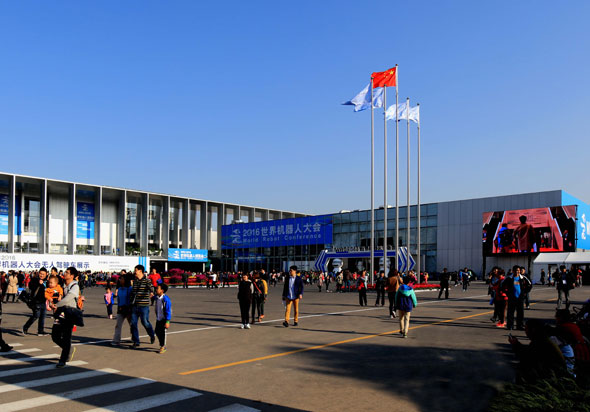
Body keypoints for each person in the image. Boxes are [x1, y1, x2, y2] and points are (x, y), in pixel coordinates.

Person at [508, 319, 567, 383]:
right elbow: (529, 353)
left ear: (533, 330)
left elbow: (527, 357)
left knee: (524, 368)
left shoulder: (541, 341)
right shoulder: (541, 338)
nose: (525, 332)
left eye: (526, 329)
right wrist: (516, 344)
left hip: (553, 375)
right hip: (553, 372)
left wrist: (516, 345)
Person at [50, 266, 81, 368]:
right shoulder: (62, 285)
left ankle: (62, 360)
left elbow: (68, 298)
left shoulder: (75, 286)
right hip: (61, 313)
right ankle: (68, 349)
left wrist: (57, 305)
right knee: (55, 335)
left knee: (67, 337)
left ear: (72, 276)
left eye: (67, 272)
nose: (65, 273)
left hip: (70, 314)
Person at [130, 265, 156, 348]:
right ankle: (136, 341)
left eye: (136, 270)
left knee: (145, 322)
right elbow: (133, 292)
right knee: (133, 323)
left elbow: (151, 288)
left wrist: (151, 292)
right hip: (135, 305)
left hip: (144, 306)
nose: (135, 272)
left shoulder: (147, 280)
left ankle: (152, 335)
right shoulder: (135, 281)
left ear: (140, 271)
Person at [23, 267, 48, 336]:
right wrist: (39, 284)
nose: (41, 275)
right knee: (36, 315)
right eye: (40, 273)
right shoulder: (35, 280)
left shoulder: (46, 282)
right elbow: (31, 287)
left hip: (43, 301)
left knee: (42, 316)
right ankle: (25, 327)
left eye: (43, 274)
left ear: (46, 274)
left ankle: (40, 331)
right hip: (36, 301)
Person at [503, 266, 527, 330]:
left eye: (518, 270)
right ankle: (510, 326)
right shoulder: (509, 278)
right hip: (512, 298)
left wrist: (524, 293)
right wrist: (507, 293)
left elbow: (529, 285)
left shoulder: (523, 278)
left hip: (520, 298)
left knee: (520, 313)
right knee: (510, 313)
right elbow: (502, 286)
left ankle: (519, 326)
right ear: (513, 271)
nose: (517, 271)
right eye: (516, 270)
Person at [112, 274, 133, 346]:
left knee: (132, 325)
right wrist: (119, 307)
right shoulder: (120, 289)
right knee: (118, 325)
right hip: (120, 309)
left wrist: (130, 308)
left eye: (122, 279)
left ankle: (134, 338)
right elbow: (119, 300)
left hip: (128, 309)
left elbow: (131, 299)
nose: (120, 280)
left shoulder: (130, 289)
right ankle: (116, 340)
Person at [154, 283, 172, 354]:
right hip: (158, 318)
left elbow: (168, 310)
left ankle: (163, 346)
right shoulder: (157, 297)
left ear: (162, 290)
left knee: (162, 332)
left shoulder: (165, 299)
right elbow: (154, 297)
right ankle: (161, 343)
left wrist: (167, 321)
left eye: (157, 288)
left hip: (164, 319)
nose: (156, 289)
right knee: (157, 331)